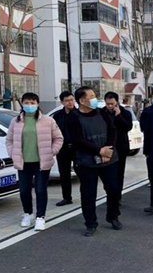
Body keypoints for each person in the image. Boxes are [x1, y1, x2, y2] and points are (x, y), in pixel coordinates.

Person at [68, 86, 122, 236]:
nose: (94, 99)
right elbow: (78, 140)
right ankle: (90, 223)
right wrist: (99, 151)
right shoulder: (73, 117)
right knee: (88, 194)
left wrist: (108, 150)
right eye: (91, 96)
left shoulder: (102, 112)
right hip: (86, 162)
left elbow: (112, 130)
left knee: (114, 190)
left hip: (109, 158)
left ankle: (113, 216)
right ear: (82, 101)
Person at [6, 92, 63, 231]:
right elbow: (9, 140)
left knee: (40, 189)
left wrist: (52, 151)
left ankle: (40, 217)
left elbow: (58, 138)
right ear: (22, 104)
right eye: (26, 103)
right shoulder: (16, 121)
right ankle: (28, 213)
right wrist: (13, 153)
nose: (29, 105)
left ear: (38, 104)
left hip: (41, 162)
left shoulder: (48, 121)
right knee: (24, 190)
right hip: (23, 162)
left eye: (32, 103)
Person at [104, 91, 133, 203]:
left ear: (117, 102)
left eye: (112, 104)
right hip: (107, 147)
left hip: (121, 147)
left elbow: (128, 127)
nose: (110, 106)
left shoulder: (125, 113)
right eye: (108, 104)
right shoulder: (102, 113)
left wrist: (118, 116)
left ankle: (117, 197)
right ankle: (110, 194)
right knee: (107, 174)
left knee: (119, 173)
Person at [52, 91, 77, 206]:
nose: (70, 102)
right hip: (62, 148)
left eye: (71, 100)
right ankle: (67, 198)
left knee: (82, 173)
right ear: (62, 102)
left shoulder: (78, 114)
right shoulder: (57, 116)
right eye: (67, 101)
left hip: (77, 148)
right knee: (64, 174)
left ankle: (86, 197)